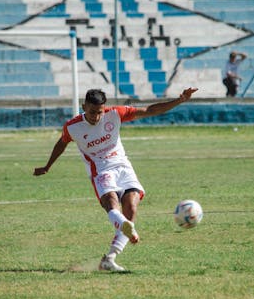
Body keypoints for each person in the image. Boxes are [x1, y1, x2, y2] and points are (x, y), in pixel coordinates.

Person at [34, 87, 199, 271]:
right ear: (83, 107)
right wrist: (47, 166)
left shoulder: (115, 114)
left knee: (131, 206)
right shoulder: (73, 126)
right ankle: (125, 226)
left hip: (123, 167)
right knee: (112, 204)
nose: (96, 117)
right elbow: (62, 143)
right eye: (92, 112)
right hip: (101, 170)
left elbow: (150, 110)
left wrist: (180, 100)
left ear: (105, 108)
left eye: (100, 112)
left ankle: (109, 259)